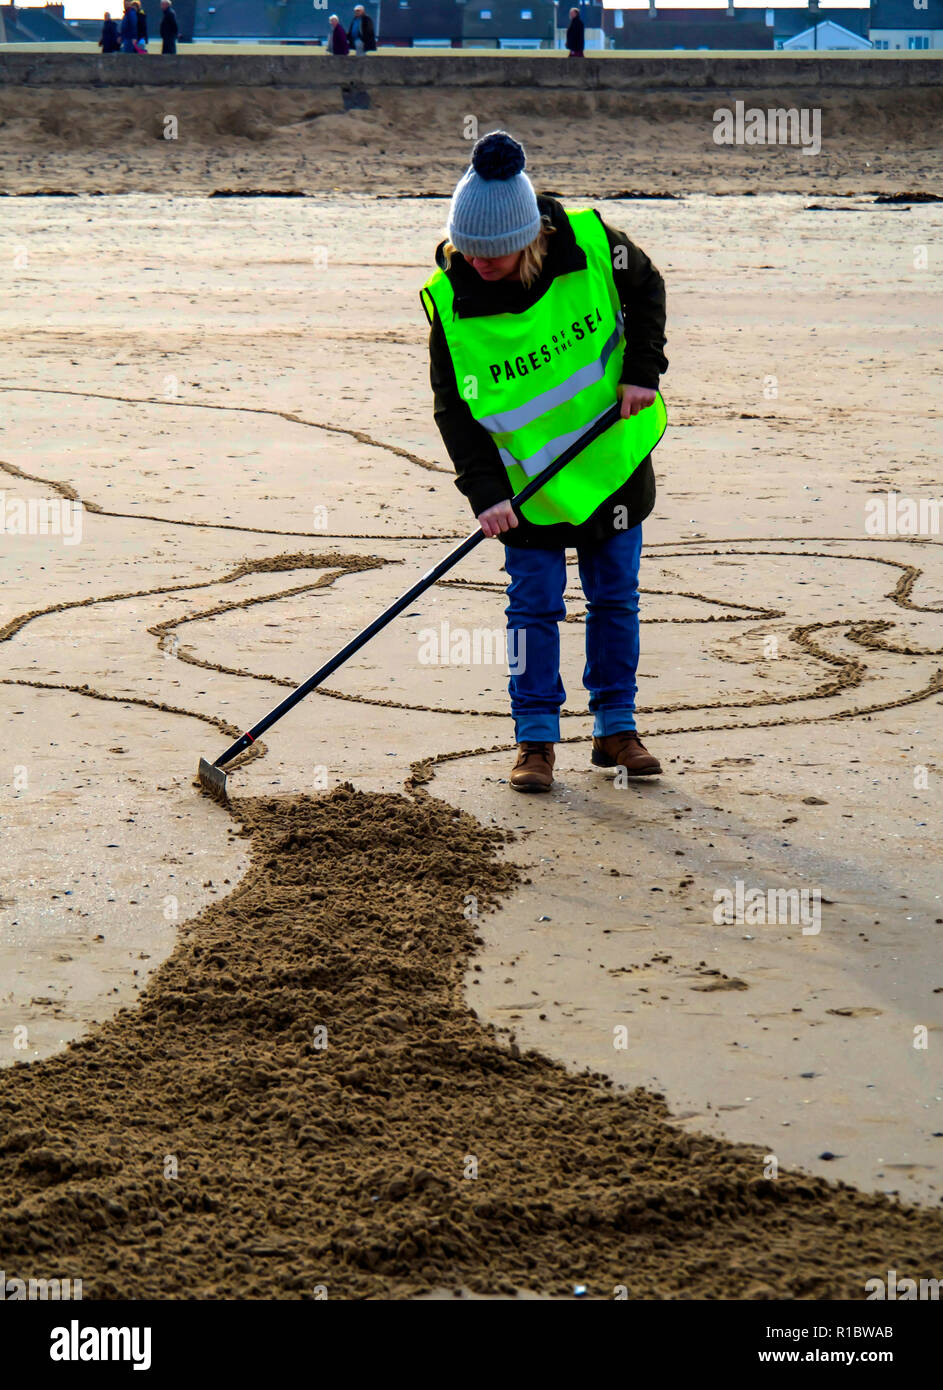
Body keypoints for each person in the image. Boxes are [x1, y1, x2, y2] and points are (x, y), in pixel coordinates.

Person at [421, 131, 668, 794]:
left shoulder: (593, 245)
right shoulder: (451, 302)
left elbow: (646, 290)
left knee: (614, 599)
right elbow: (454, 408)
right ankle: (534, 739)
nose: (480, 262)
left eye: (495, 252)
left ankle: (615, 729)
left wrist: (641, 372)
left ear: (526, 238)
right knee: (532, 608)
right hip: (523, 484)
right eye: (468, 250)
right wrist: (483, 494)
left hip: (606, 463)